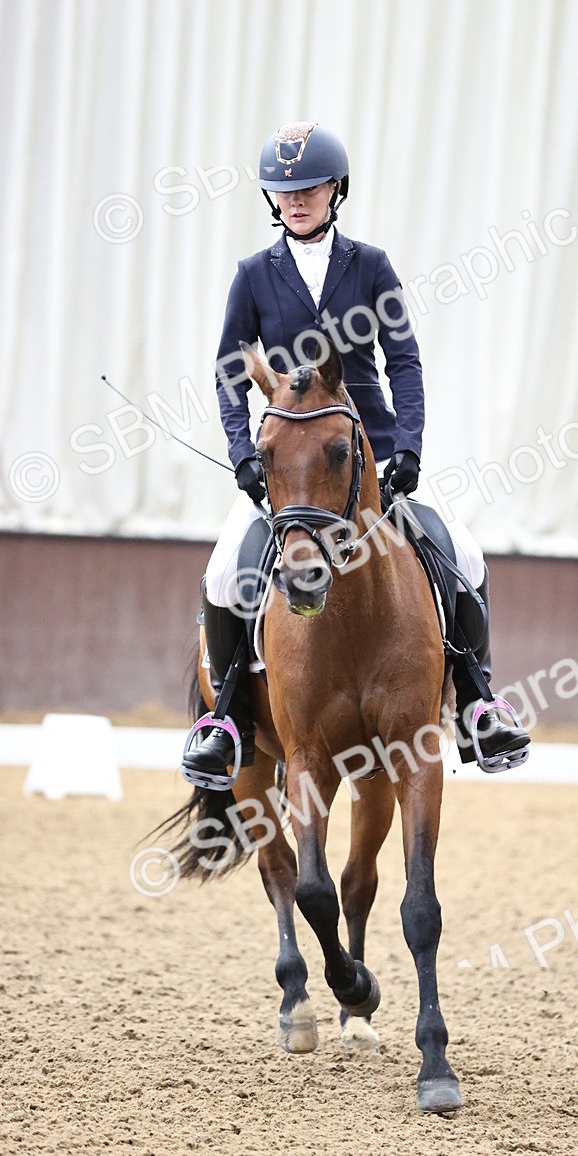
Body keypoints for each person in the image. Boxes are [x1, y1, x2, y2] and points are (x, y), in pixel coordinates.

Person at [181, 122, 530, 780]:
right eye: (284, 191)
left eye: (309, 188)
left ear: (336, 189)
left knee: (465, 555)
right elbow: (233, 369)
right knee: (228, 572)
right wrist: (242, 454)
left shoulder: (369, 266)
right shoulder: (254, 276)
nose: (296, 201)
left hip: (366, 458)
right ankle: (226, 716)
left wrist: (409, 448)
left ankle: (479, 703)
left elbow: (403, 360)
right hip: (289, 470)